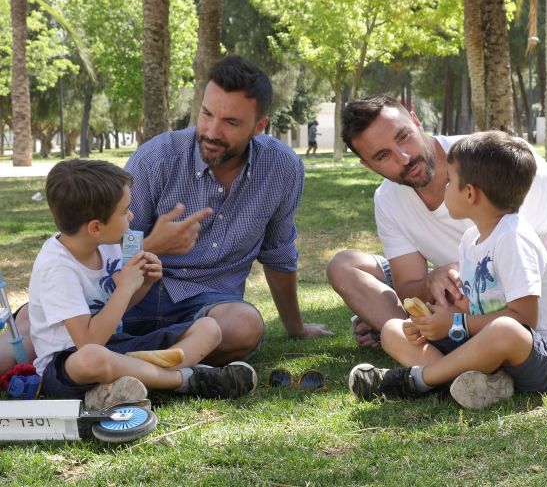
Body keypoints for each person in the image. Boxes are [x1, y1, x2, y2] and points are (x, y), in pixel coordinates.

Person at [0, 55, 331, 375]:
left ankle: (119, 365)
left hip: (208, 304)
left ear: (259, 126)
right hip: (128, 295)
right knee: (38, 326)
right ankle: (149, 365)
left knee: (245, 326)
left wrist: (295, 328)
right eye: (207, 114)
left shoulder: (282, 169)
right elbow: (102, 240)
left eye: (230, 122)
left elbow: (278, 255)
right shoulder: (157, 158)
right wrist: (153, 244)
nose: (212, 130)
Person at [327, 95, 547, 351]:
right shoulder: (387, 199)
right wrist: (430, 281)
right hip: (458, 298)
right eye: (383, 155)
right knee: (344, 266)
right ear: (368, 165)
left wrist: (505, 287)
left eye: (404, 136)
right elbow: (408, 286)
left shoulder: (494, 159)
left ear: (415, 119)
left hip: (528, 311)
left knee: (498, 334)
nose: (404, 157)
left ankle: (415, 347)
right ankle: (415, 337)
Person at [348, 132, 547, 408]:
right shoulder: (470, 240)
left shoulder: (514, 238)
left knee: (505, 329)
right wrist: (435, 321)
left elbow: (524, 319)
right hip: (484, 346)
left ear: (469, 193)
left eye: (449, 181)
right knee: (394, 330)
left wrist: (456, 324)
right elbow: (473, 305)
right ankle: (481, 384)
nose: (443, 189)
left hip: (538, 359)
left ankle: (416, 380)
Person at [30, 159, 256, 408]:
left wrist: (144, 284)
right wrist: (125, 287)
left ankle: (126, 382)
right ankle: (183, 380)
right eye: (124, 211)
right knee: (92, 358)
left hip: (116, 347)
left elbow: (115, 311)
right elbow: (87, 342)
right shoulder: (57, 266)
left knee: (209, 328)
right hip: (68, 367)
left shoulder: (108, 245)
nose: (132, 215)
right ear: (95, 227)